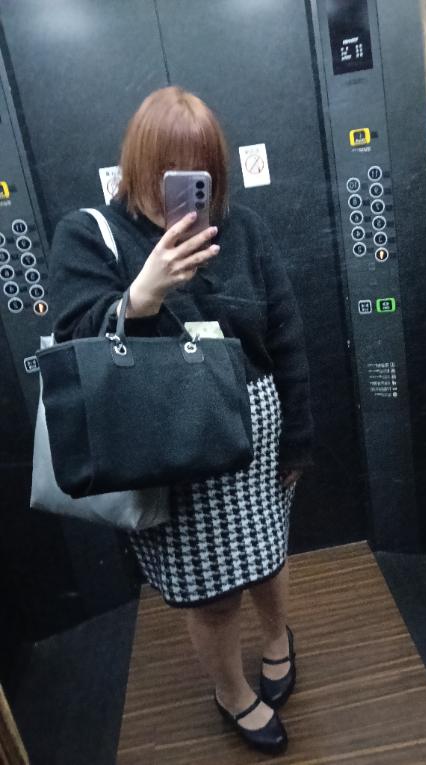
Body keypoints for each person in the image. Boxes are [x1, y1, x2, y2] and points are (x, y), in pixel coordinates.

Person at [49, 86, 313, 755]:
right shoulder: (88, 234)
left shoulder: (243, 229)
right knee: (211, 594)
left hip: (255, 434)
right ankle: (231, 691)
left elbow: (285, 336)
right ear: (139, 166)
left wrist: (298, 438)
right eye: (171, 170)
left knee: (268, 553)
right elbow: (75, 342)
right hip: (165, 449)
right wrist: (141, 294)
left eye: (202, 171)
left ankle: (278, 638)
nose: (189, 186)